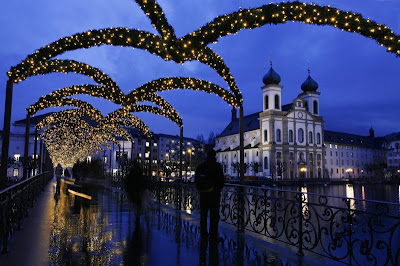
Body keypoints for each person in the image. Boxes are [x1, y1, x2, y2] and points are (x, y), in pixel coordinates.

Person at [195, 149, 225, 242]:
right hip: (214, 195)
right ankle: (213, 235)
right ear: (214, 156)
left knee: (203, 215)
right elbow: (221, 181)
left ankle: (203, 234)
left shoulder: (200, 166)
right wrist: (217, 189)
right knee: (214, 216)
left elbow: (196, 180)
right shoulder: (217, 166)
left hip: (203, 194)